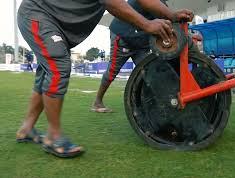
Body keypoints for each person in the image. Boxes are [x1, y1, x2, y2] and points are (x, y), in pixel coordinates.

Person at [16, 0, 175, 158]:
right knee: (58, 66)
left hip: (54, 21)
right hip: (37, 13)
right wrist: (147, 24)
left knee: (46, 72)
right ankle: (53, 136)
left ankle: (27, 128)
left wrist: (172, 16)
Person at [91, 0, 194, 113]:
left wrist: (186, 30)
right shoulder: (155, 3)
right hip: (123, 37)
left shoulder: (162, 4)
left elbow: (169, 20)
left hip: (140, 43)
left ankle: (149, 105)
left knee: (150, 71)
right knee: (112, 71)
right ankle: (97, 102)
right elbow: (167, 19)